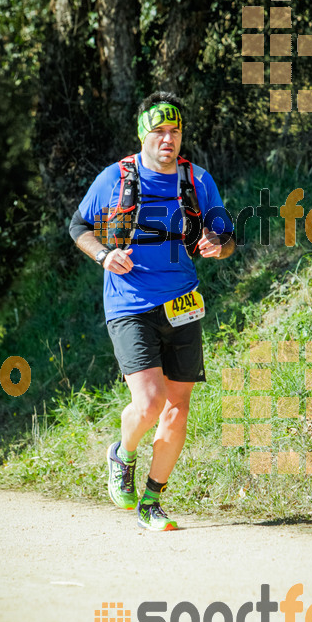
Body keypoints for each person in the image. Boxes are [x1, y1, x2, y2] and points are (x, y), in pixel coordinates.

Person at [69, 91, 235, 531]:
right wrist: (104, 256)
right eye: (159, 131)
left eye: (174, 131)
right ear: (143, 134)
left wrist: (218, 245)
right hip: (128, 303)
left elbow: (226, 236)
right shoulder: (115, 177)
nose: (168, 139)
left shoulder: (198, 180)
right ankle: (122, 453)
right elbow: (78, 226)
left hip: (182, 303)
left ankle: (151, 501)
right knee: (149, 402)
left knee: (177, 408)